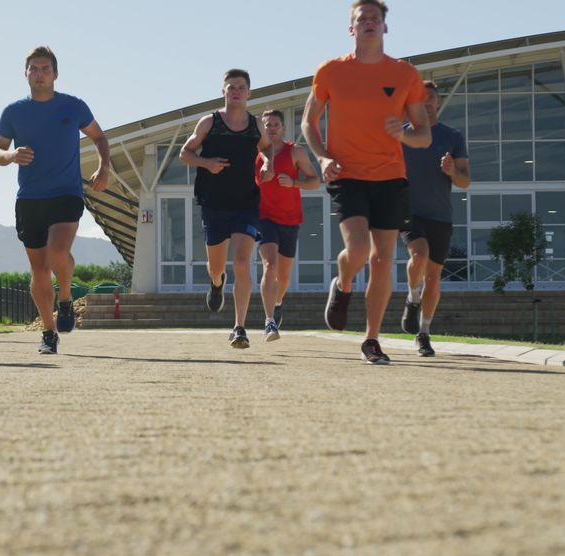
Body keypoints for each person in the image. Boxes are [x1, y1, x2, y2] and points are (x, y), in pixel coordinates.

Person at [300, 0, 431, 364]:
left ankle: (371, 339)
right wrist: (323, 157)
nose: (370, 23)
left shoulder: (405, 75)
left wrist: (404, 135)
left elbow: (424, 136)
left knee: (381, 261)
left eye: (376, 19)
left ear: (385, 28)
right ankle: (342, 286)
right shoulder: (330, 72)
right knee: (357, 251)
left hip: (390, 177)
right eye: (362, 19)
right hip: (346, 173)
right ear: (351, 28)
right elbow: (308, 122)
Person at [0, 46, 110, 355]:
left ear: (55, 74)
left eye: (45, 68)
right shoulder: (13, 112)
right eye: (34, 68)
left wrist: (104, 166)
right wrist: (11, 155)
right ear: (26, 73)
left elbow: (99, 136)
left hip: (66, 192)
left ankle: (66, 296)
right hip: (30, 198)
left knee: (59, 252)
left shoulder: (73, 106)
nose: (40, 73)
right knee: (40, 270)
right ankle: (48, 331)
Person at [180, 69, 272, 349]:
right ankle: (217, 283)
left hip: (246, 203)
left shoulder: (256, 124)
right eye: (231, 86)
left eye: (241, 87)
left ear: (249, 93)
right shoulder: (210, 122)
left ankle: (239, 327)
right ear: (223, 91)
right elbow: (185, 154)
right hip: (214, 203)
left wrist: (267, 163)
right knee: (217, 266)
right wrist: (207, 164)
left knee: (243, 262)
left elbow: (267, 150)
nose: (235, 91)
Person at [400, 80, 471, 356]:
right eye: (420, 97)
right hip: (408, 211)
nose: (426, 101)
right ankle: (412, 297)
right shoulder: (401, 136)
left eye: (431, 97)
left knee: (434, 277)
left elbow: (465, 181)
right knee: (419, 255)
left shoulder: (452, 136)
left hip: (440, 214)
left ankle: (424, 333)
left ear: (438, 102)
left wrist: (453, 171)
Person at [254, 109, 320, 341]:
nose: (271, 128)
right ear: (261, 129)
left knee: (283, 277)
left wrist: (293, 182)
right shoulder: (254, 153)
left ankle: (278, 301)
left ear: (283, 128)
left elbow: (314, 182)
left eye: (275, 124)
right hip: (263, 217)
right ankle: (269, 321)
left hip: (290, 219)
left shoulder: (295, 151)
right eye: (267, 125)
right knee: (270, 266)